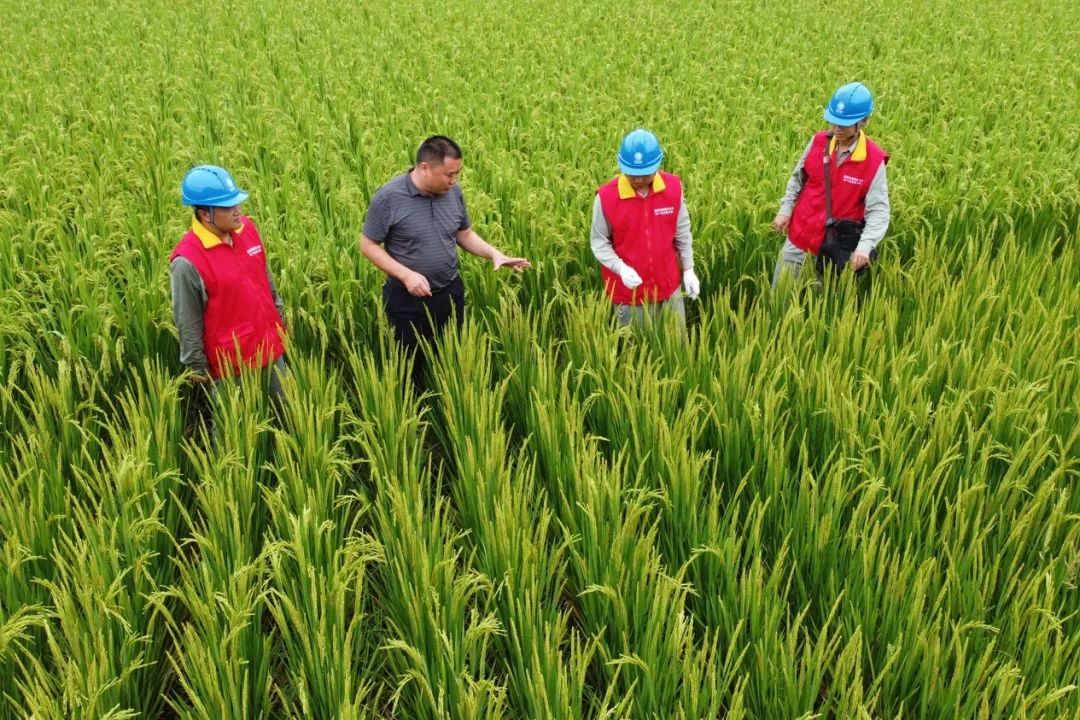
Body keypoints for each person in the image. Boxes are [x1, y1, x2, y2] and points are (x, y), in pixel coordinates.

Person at [360, 135, 531, 387]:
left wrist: (494, 254)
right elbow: (368, 245)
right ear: (424, 168)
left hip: (450, 294)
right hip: (407, 301)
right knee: (409, 368)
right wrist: (406, 275)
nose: (454, 181)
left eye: (457, 174)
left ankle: (450, 400)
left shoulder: (453, 192)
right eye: (449, 175)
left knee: (451, 358)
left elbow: (464, 234)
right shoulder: (389, 198)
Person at [170, 165, 288, 411]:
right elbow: (187, 318)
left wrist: (280, 320)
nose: (238, 211)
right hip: (232, 365)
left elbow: (266, 280)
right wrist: (196, 366)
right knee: (235, 426)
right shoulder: (188, 260)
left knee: (287, 412)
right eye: (227, 207)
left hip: (269, 345)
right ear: (205, 214)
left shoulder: (247, 230)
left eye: (237, 203)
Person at [771, 82, 891, 285]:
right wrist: (785, 210)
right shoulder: (818, 142)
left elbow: (879, 211)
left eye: (844, 124)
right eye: (833, 122)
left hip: (833, 253)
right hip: (797, 242)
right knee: (779, 298)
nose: (836, 129)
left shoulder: (873, 160)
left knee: (820, 303)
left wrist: (865, 247)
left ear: (863, 121)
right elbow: (797, 179)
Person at [590, 128, 699, 328]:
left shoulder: (672, 188)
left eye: (645, 174)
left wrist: (688, 268)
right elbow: (599, 242)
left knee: (676, 342)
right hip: (629, 293)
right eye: (632, 175)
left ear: (657, 167)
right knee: (637, 346)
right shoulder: (606, 197)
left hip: (668, 287)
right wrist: (620, 268)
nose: (638, 180)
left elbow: (682, 231)